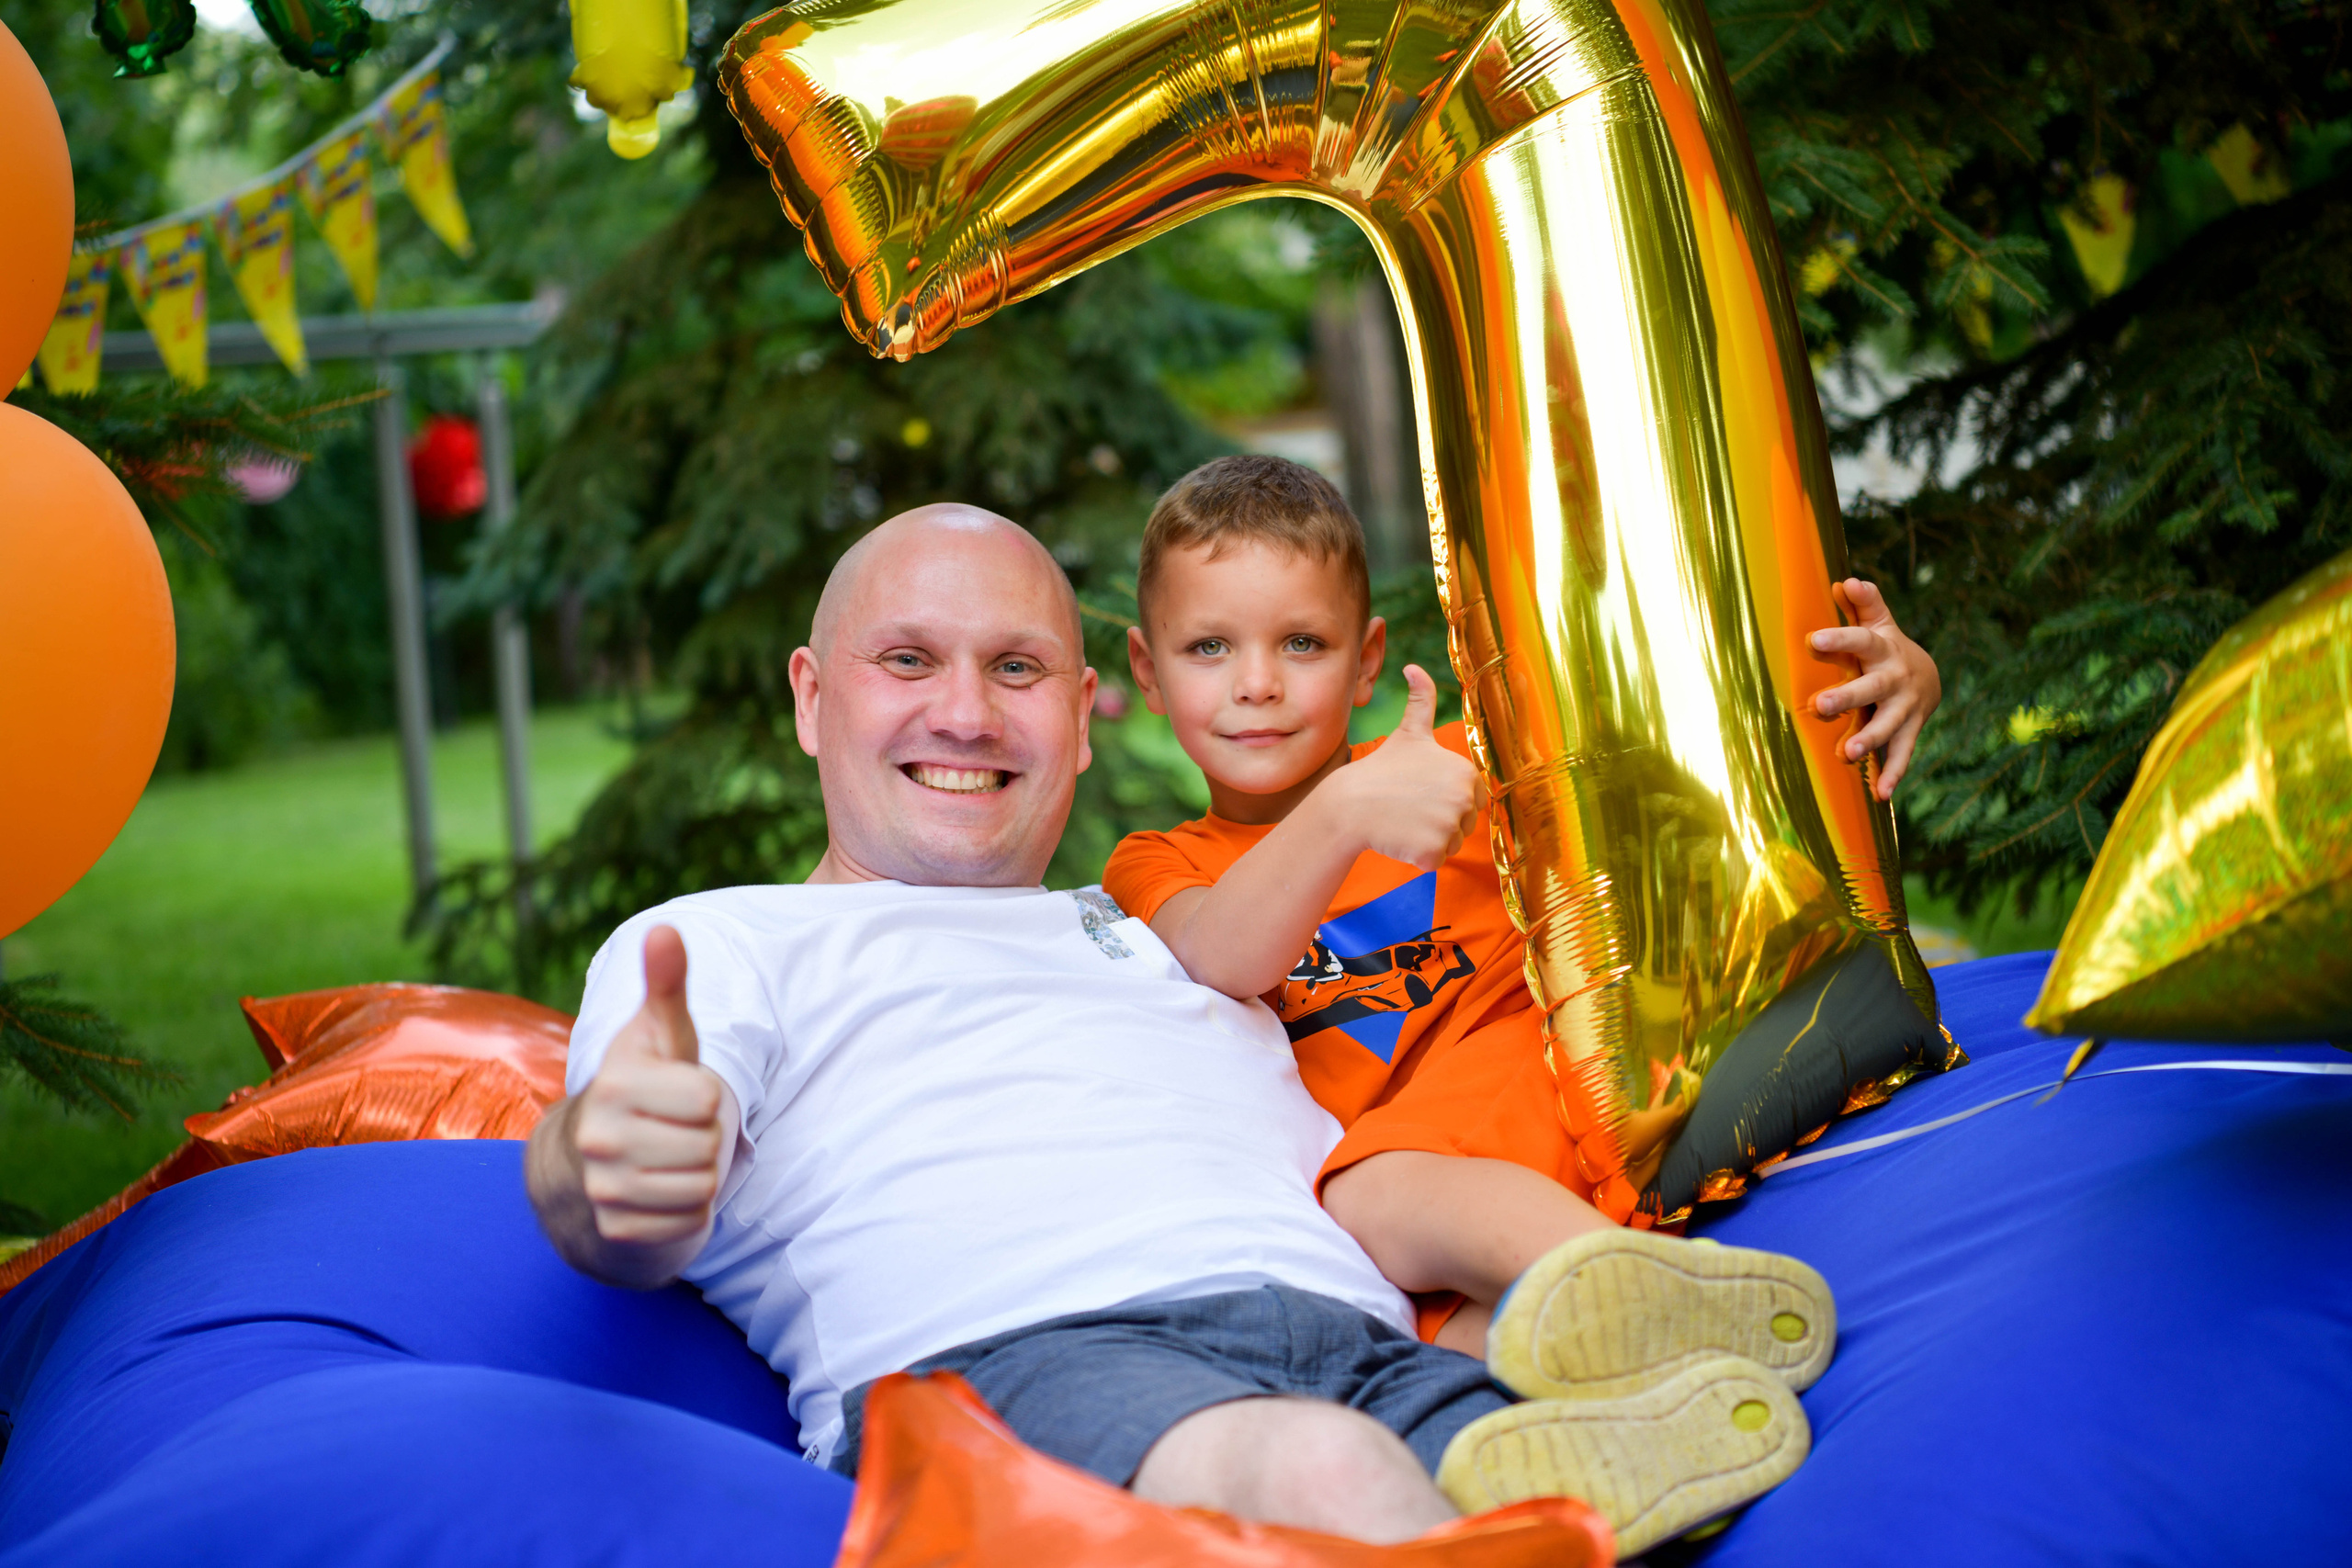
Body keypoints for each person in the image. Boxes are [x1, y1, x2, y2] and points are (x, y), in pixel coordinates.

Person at [526, 503, 1815, 1556]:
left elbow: (1559, 856)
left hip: (1356, 1339)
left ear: (1086, 712)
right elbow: (612, 1162)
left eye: (1015, 667)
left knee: (1580, 1485)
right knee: (1326, 1470)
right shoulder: (724, 941)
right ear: (814, 697)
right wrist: (609, 1157)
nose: (966, 712)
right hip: (1016, 1359)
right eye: (909, 660)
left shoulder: (1171, 925)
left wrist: (1833, 709)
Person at [1103, 454, 1939, 1360]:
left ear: (1365, 660)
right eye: (1209, 647)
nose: (1256, 683)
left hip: (1558, 1076)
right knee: (1448, 1338)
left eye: (1302, 643)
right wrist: (1342, 816)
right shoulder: (1160, 862)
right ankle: (1677, 1397)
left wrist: (1902, 673)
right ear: (1147, 671)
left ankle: (1654, 1303)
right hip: (1449, 1211)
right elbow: (1223, 957)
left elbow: (1689, 735)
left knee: (1363, 1196)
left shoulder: (1465, 756)